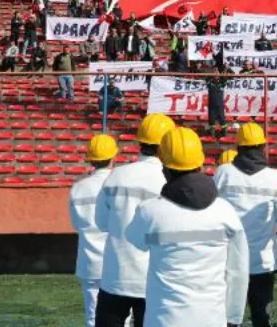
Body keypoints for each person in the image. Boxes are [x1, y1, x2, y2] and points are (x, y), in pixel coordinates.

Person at [124, 127, 249, 327]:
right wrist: (234, 317)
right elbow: (238, 270)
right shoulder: (226, 212)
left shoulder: (149, 211)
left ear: (164, 168)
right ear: (200, 164)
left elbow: (133, 239)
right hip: (212, 319)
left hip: (163, 320)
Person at [94, 114, 176, 327]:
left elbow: (101, 223)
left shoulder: (116, 175)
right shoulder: (168, 181)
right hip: (154, 278)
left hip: (115, 275)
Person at [213, 123, 277, 327]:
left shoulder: (223, 173)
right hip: (262, 261)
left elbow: (212, 212)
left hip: (228, 259)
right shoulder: (276, 177)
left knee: (227, 319)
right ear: (263, 147)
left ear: (238, 147)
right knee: (262, 318)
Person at [70, 134, 118, 327]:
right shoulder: (119, 185)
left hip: (90, 262)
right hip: (117, 261)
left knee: (93, 317)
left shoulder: (78, 188)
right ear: (114, 158)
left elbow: (76, 225)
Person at [206, 64, 232, 138]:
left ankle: (224, 133)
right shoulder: (209, 81)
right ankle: (212, 134)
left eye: (217, 71)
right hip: (212, 104)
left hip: (220, 104)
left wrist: (227, 69)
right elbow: (207, 79)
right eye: (214, 71)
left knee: (222, 119)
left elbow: (227, 78)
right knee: (211, 119)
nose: (216, 72)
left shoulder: (222, 82)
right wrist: (211, 75)